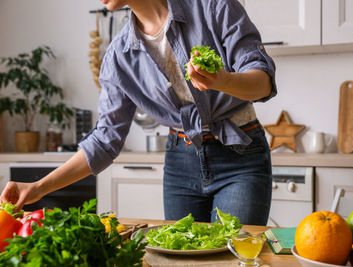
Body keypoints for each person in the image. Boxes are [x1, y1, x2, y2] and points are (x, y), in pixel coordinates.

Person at [0, 0, 277, 225]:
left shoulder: (213, 7)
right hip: (182, 162)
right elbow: (104, 141)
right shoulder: (119, 55)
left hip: (240, 154)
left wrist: (222, 81)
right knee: (182, 258)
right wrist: (37, 189)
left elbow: (263, 82)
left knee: (233, 256)